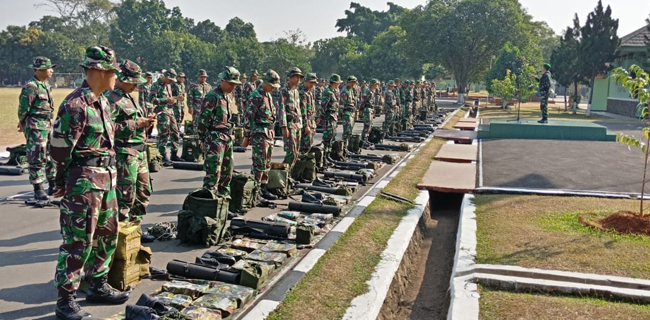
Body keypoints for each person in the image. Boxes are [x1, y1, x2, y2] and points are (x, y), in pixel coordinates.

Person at [50, 45, 129, 320]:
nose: (115, 77)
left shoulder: (103, 102)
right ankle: (66, 300)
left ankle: (98, 284)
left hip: (107, 181)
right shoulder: (75, 105)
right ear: (98, 71)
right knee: (78, 241)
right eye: (112, 72)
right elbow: (59, 152)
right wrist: (61, 183)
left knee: (108, 235)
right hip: (83, 183)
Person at [104, 60, 155, 226]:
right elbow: (106, 128)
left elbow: (136, 122)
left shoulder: (129, 97)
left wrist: (147, 122)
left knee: (143, 192)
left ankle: (134, 229)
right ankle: (120, 233)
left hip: (139, 153)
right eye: (132, 82)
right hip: (124, 154)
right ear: (121, 79)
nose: (135, 86)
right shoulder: (110, 98)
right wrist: (136, 124)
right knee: (125, 196)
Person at [17, 56, 57, 199]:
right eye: (48, 68)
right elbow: (23, 108)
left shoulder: (45, 85)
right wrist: (22, 123)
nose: (51, 71)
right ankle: (38, 188)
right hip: (35, 126)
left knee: (51, 155)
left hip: (47, 124)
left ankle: (53, 184)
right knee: (37, 156)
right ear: (39, 70)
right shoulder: (31, 87)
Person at [197, 66, 241, 195]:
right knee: (213, 173)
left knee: (227, 173)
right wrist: (202, 139)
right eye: (231, 84)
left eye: (235, 84)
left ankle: (223, 203)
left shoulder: (228, 96)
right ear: (223, 81)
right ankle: (210, 203)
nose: (233, 87)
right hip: (214, 139)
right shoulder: (213, 96)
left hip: (226, 138)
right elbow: (203, 120)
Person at [243, 70, 283, 200]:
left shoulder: (268, 95)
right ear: (265, 82)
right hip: (259, 133)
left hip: (268, 133)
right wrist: (247, 136)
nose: (273, 88)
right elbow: (249, 117)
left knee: (266, 163)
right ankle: (255, 191)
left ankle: (263, 188)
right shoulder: (256, 96)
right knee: (259, 163)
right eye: (271, 85)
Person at [150, 69, 181, 165]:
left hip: (170, 111)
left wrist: (175, 99)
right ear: (165, 77)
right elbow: (152, 100)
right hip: (161, 112)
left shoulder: (168, 85)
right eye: (170, 79)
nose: (171, 82)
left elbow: (169, 98)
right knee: (164, 134)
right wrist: (166, 100)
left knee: (175, 132)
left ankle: (174, 154)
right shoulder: (156, 85)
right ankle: (163, 156)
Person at [279, 67, 304, 167]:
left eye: (299, 77)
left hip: (298, 124)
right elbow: (282, 109)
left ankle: (288, 174)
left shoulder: (296, 91)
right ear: (290, 77)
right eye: (296, 77)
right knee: (291, 153)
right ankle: (281, 174)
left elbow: (298, 108)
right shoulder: (284, 91)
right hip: (290, 124)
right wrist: (284, 127)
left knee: (296, 152)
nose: (298, 79)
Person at [321, 74, 342, 157]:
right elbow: (323, 107)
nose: (339, 84)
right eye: (338, 83)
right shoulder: (328, 92)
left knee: (332, 135)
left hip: (333, 117)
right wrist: (321, 118)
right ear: (334, 83)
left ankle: (329, 154)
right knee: (327, 137)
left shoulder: (335, 91)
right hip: (328, 117)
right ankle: (325, 156)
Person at [299, 73, 318, 154]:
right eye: (311, 82)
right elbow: (303, 111)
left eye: (314, 83)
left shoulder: (309, 92)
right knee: (304, 146)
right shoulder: (302, 93)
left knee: (309, 144)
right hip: (305, 123)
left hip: (311, 121)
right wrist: (306, 125)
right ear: (306, 81)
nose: (312, 84)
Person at [340, 75, 358, 151]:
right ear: (348, 82)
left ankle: (346, 147)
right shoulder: (345, 91)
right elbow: (341, 105)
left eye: (354, 82)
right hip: (347, 113)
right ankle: (343, 148)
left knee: (349, 132)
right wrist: (341, 114)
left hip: (352, 113)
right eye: (352, 82)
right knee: (346, 132)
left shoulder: (352, 90)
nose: (353, 84)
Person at [360, 79, 379, 143]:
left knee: (370, 125)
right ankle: (363, 139)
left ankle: (366, 138)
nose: (377, 86)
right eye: (376, 84)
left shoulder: (372, 91)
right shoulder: (368, 91)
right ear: (372, 84)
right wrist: (361, 109)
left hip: (370, 109)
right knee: (367, 125)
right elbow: (363, 101)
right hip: (367, 109)